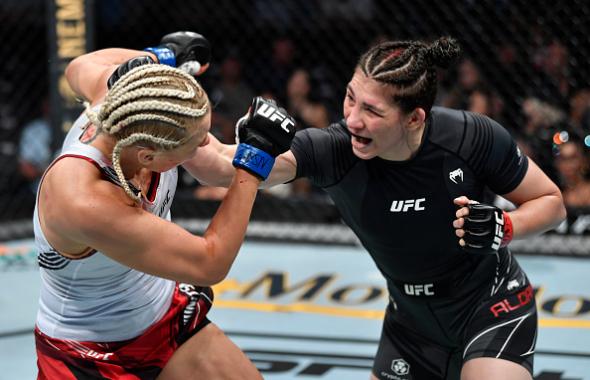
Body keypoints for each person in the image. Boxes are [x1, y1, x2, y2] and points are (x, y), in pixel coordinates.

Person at [185, 37, 567, 380]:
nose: (352, 119)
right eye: (350, 97)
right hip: (411, 322)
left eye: (372, 110)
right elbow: (219, 166)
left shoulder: (471, 137)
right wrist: (181, 116)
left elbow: (551, 203)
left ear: (415, 117)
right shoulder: (335, 150)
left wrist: (506, 226)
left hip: (492, 307)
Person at [33, 31, 295, 379]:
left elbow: (81, 66)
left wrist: (160, 57)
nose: (207, 141)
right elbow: (209, 262)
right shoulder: (83, 199)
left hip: (161, 312)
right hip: (89, 351)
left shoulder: (132, 105)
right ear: (148, 156)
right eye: (196, 142)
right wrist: (253, 163)